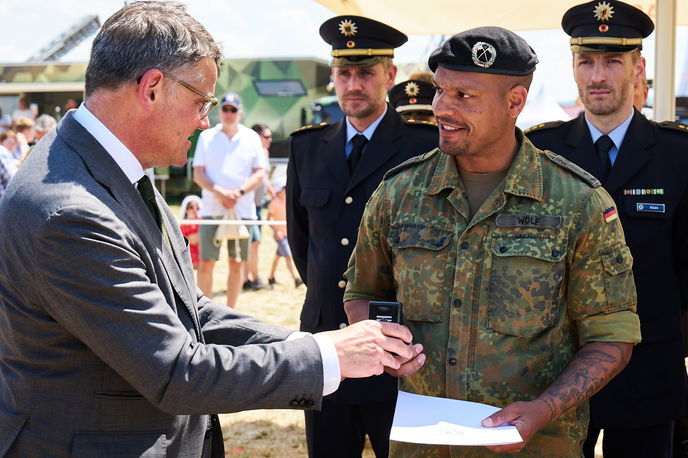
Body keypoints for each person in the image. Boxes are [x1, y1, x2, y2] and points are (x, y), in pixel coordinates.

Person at [0, 3, 426, 456]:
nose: (205, 120)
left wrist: (313, 343)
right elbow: (177, 371)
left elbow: (192, 312)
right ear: (152, 88)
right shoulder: (72, 211)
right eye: (201, 101)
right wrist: (330, 356)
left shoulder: (108, 170)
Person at [344, 26, 642, 457]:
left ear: (515, 101)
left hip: (535, 446)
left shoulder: (577, 203)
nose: (442, 107)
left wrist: (543, 408)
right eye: (440, 90)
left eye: (464, 96)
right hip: (423, 446)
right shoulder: (399, 193)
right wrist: (386, 344)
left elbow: (611, 335)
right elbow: (363, 293)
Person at [525, 2, 688, 456]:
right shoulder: (539, 153)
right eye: (586, 61)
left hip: (646, 368)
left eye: (612, 61)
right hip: (555, 372)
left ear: (639, 67)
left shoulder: (678, 156)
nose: (597, 76)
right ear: (573, 67)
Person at [287, 15, 438, 458]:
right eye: (344, 73)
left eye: (366, 72)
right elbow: (302, 243)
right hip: (328, 341)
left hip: (398, 347)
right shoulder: (307, 147)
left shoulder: (422, 146)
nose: (354, 84)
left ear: (390, 77)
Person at [193, 92, 265, 307]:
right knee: (206, 262)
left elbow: (260, 173)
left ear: (240, 112)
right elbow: (199, 173)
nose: (229, 113)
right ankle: (204, 313)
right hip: (211, 209)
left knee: (237, 263)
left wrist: (238, 193)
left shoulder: (251, 137)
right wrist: (221, 192)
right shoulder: (207, 137)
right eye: (225, 108)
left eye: (233, 109)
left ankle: (230, 312)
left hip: (242, 211)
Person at [242, 122, 274, 291]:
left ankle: (250, 277)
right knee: (252, 243)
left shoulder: (264, 153)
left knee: (255, 243)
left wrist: (271, 191)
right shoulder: (250, 153)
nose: (270, 140)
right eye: (266, 136)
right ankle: (251, 278)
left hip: (259, 205)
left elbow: (264, 177)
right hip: (250, 206)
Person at [267, 176, 302, 288]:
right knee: (288, 255)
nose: (286, 190)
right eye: (283, 188)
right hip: (281, 236)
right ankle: (296, 278)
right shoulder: (274, 203)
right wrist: (277, 231)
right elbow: (268, 220)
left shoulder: (289, 201)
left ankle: (270, 277)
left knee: (278, 256)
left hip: (289, 234)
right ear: (279, 190)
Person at [180, 194, 202, 269]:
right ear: (186, 209)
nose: (194, 209)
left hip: (199, 251)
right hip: (188, 252)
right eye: (191, 207)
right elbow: (191, 240)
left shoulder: (201, 221)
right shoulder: (182, 224)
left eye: (197, 207)